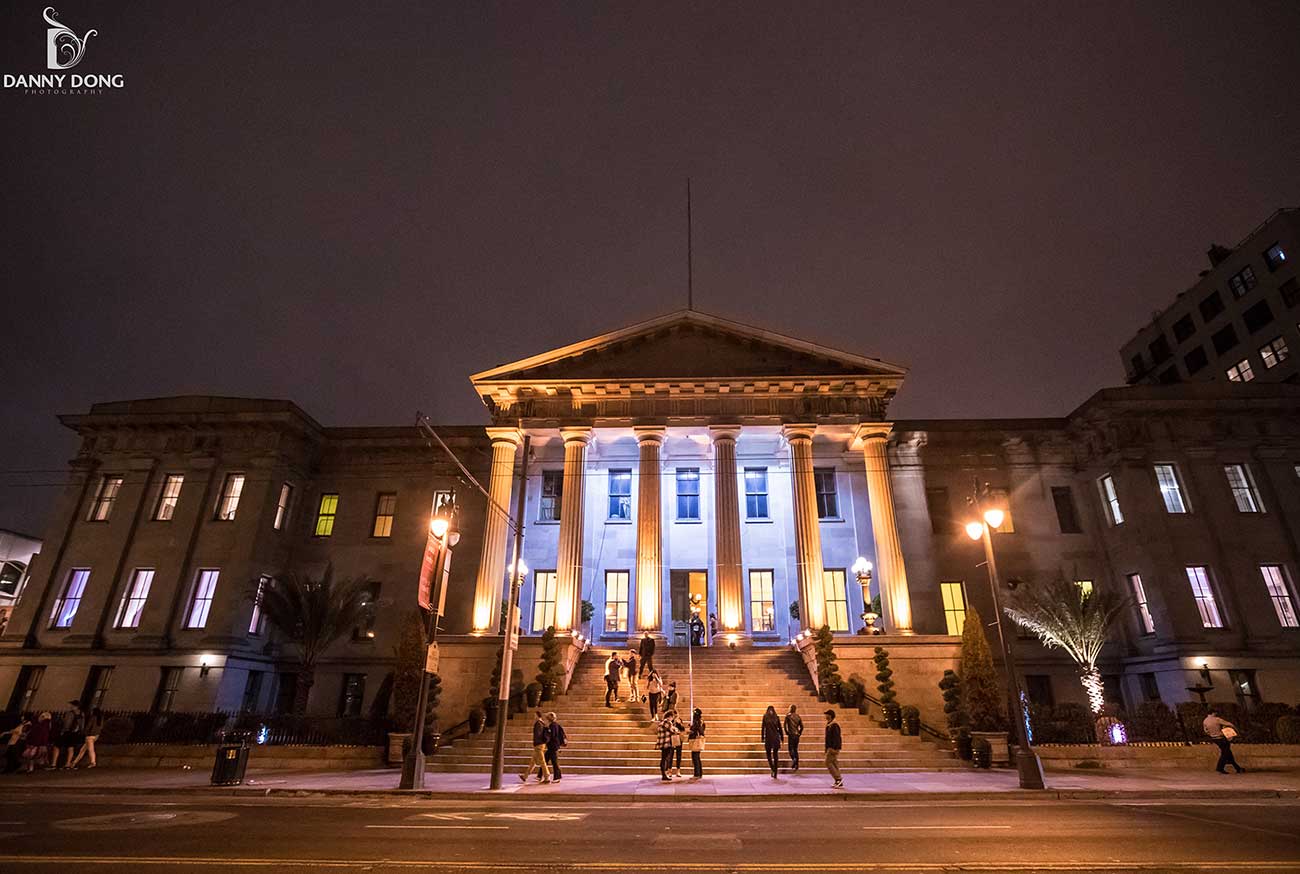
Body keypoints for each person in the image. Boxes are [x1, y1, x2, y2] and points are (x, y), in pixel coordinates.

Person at [1204, 707, 1245, 774]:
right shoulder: (1217, 719)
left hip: (1214, 739)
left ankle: (1238, 768)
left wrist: (1212, 733)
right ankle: (1220, 768)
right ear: (1213, 713)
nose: (1216, 714)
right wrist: (1235, 730)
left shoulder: (1205, 721)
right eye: (1216, 713)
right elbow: (1229, 724)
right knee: (1225, 753)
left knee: (1227, 752)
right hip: (1222, 738)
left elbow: (1206, 731)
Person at [519, 709, 552, 784]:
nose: (534, 716)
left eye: (535, 715)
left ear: (537, 715)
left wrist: (536, 743)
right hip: (541, 744)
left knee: (542, 761)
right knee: (533, 762)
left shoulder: (538, 723)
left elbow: (538, 734)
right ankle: (525, 776)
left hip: (538, 745)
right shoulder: (542, 723)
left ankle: (547, 777)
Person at [656, 709, 679, 781]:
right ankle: (664, 774)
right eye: (672, 717)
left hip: (662, 743)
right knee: (665, 759)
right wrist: (676, 730)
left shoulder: (661, 722)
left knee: (664, 758)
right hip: (666, 743)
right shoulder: (667, 722)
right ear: (670, 716)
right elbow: (674, 731)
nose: (673, 719)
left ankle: (664, 774)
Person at [761, 705, 784, 779]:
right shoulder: (776, 717)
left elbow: (763, 728)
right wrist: (782, 737)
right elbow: (780, 728)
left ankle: (773, 768)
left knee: (768, 754)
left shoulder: (765, 717)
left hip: (769, 738)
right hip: (775, 738)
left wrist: (762, 737)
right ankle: (775, 771)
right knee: (775, 755)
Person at [544, 712, 566, 783]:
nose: (546, 720)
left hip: (552, 746)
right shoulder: (556, 725)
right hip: (554, 746)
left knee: (554, 762)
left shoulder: (552, 725)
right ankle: (540, 775)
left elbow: (552, 735)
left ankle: (557, 777)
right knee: (545, 760)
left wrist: (546, 730)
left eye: (547, 718)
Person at [824, 709, 843, 789]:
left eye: (827, 714)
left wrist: (834, 748)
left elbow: (837, 737)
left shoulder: (834, 725)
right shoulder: (829, 724)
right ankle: (838, 780)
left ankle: (838, 779)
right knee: (834, 763)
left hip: (832, 748)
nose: (825, 716)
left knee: (828, 762)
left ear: (830, 715)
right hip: (830, 747)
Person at [688, 708, 707, 780]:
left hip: (695, 740)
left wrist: (690, 730)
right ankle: (699, 773)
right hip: (698, 739)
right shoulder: (702, 721)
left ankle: (697, 773)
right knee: (697, 758)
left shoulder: (696, 721)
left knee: (695, 757)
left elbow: (695, 730)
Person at [784, 705, 804, 772]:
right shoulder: (798, 716)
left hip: (791, 734)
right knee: (795, 749)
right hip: (796, 735)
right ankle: (796, 764)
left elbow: (785, 725)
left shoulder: (788, 716)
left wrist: (786, 732)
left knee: (790, 748)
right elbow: (802, 726)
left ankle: (794, 759)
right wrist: (799, 733)